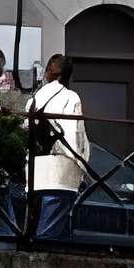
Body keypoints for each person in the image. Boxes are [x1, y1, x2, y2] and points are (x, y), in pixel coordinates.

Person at [26, 55, 88, 243]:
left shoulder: (34, 99)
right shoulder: (71, 97)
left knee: (39, 227)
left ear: (47, 73)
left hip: (36, 170)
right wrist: (82, 167)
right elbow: (76, 137)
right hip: (61, 172)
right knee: (49, 234)